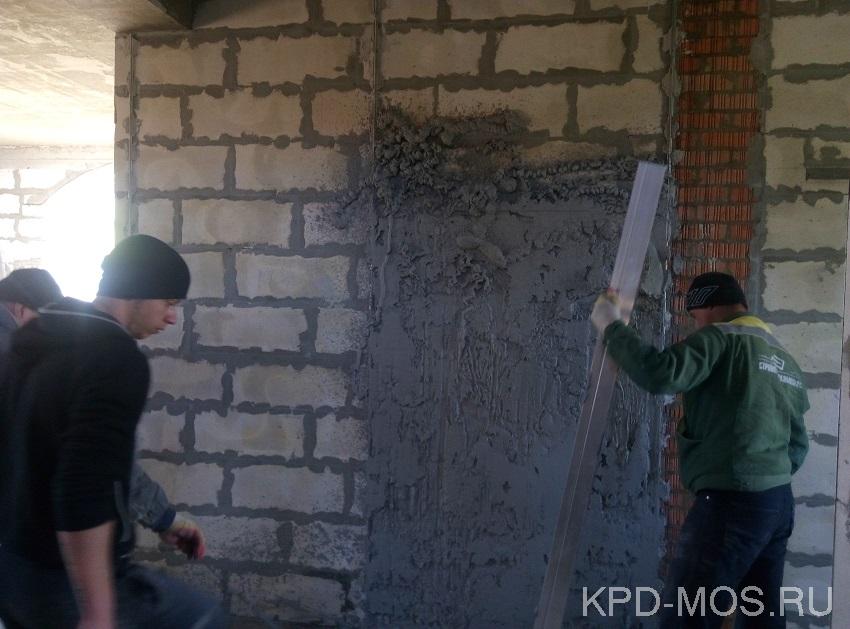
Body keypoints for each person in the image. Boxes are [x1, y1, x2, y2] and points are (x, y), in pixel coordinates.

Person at [0, 235, 227, 629]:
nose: (172, 318)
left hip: (15, 573)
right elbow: (84, 486)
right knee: (202, 618)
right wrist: (97, 612)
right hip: (63, 583)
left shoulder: (35, 342)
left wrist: (165, 520)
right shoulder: (115, 358)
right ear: (138, 291)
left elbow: (104, 464)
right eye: (169, 303)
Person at [591, 272, 809, 628]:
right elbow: (798, 444)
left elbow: (660, 374)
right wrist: (763, 473)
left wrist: (610, 326)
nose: (696, 324)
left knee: (686, 615)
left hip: (732, 501)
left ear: (708, 306)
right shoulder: (782, 356)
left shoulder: (720, 337)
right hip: (777, 503)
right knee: (761, 617)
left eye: (695, 316)